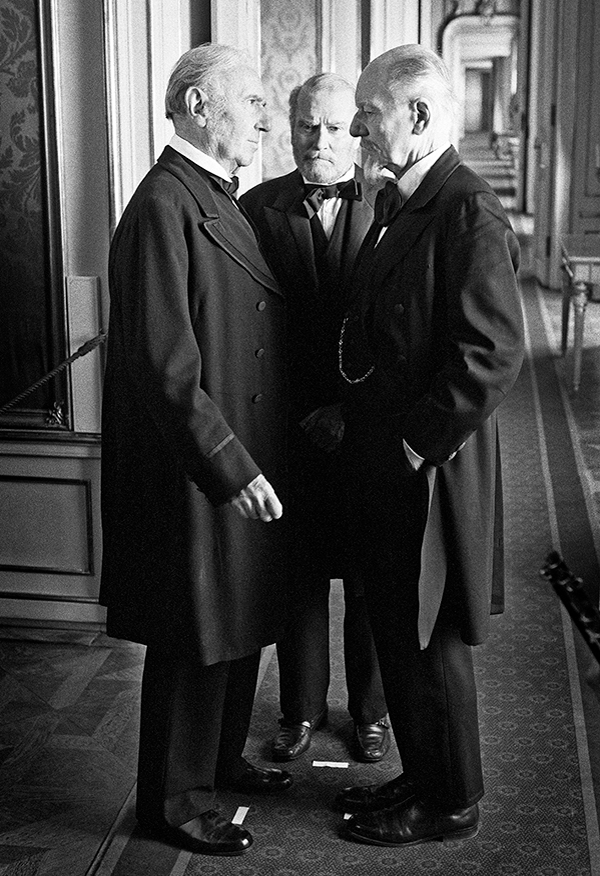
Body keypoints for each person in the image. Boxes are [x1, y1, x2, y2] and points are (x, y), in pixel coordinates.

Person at [100, 44, 292, 858]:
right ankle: (174, 804)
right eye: (248, 102)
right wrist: (229, 463)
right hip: (194, 467)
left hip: (230, 454)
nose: (261, 118)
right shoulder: (162, 206)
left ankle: (217, 762)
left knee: (232, 620)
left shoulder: (208, 194)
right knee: (194, 632)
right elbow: (163, 364)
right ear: (194, 106)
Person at [333, 44, 525, 847]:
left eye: (368, 113)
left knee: (433, 638)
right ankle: (423, 773)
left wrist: (413, 444)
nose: (354, 128)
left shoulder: (465, 207)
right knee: (397, 633)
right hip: (390, 465)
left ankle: (453, 803)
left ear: (414, 115)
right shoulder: (403, 202)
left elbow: (493, 352)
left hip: (432, 470)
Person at [240, 73, 389, 764]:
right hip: (289, 434)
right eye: (306, 125)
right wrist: (299, 415)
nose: (319, 140)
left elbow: (399, 334)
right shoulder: (255, 208)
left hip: (364, 430)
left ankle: (369, 713)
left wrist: (348, 410)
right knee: (297, 577)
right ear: (289, 127)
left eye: (333, 127)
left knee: (367, 578)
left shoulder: (390, 208)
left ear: (356, 130)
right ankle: (298, 712)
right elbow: (250, 333)